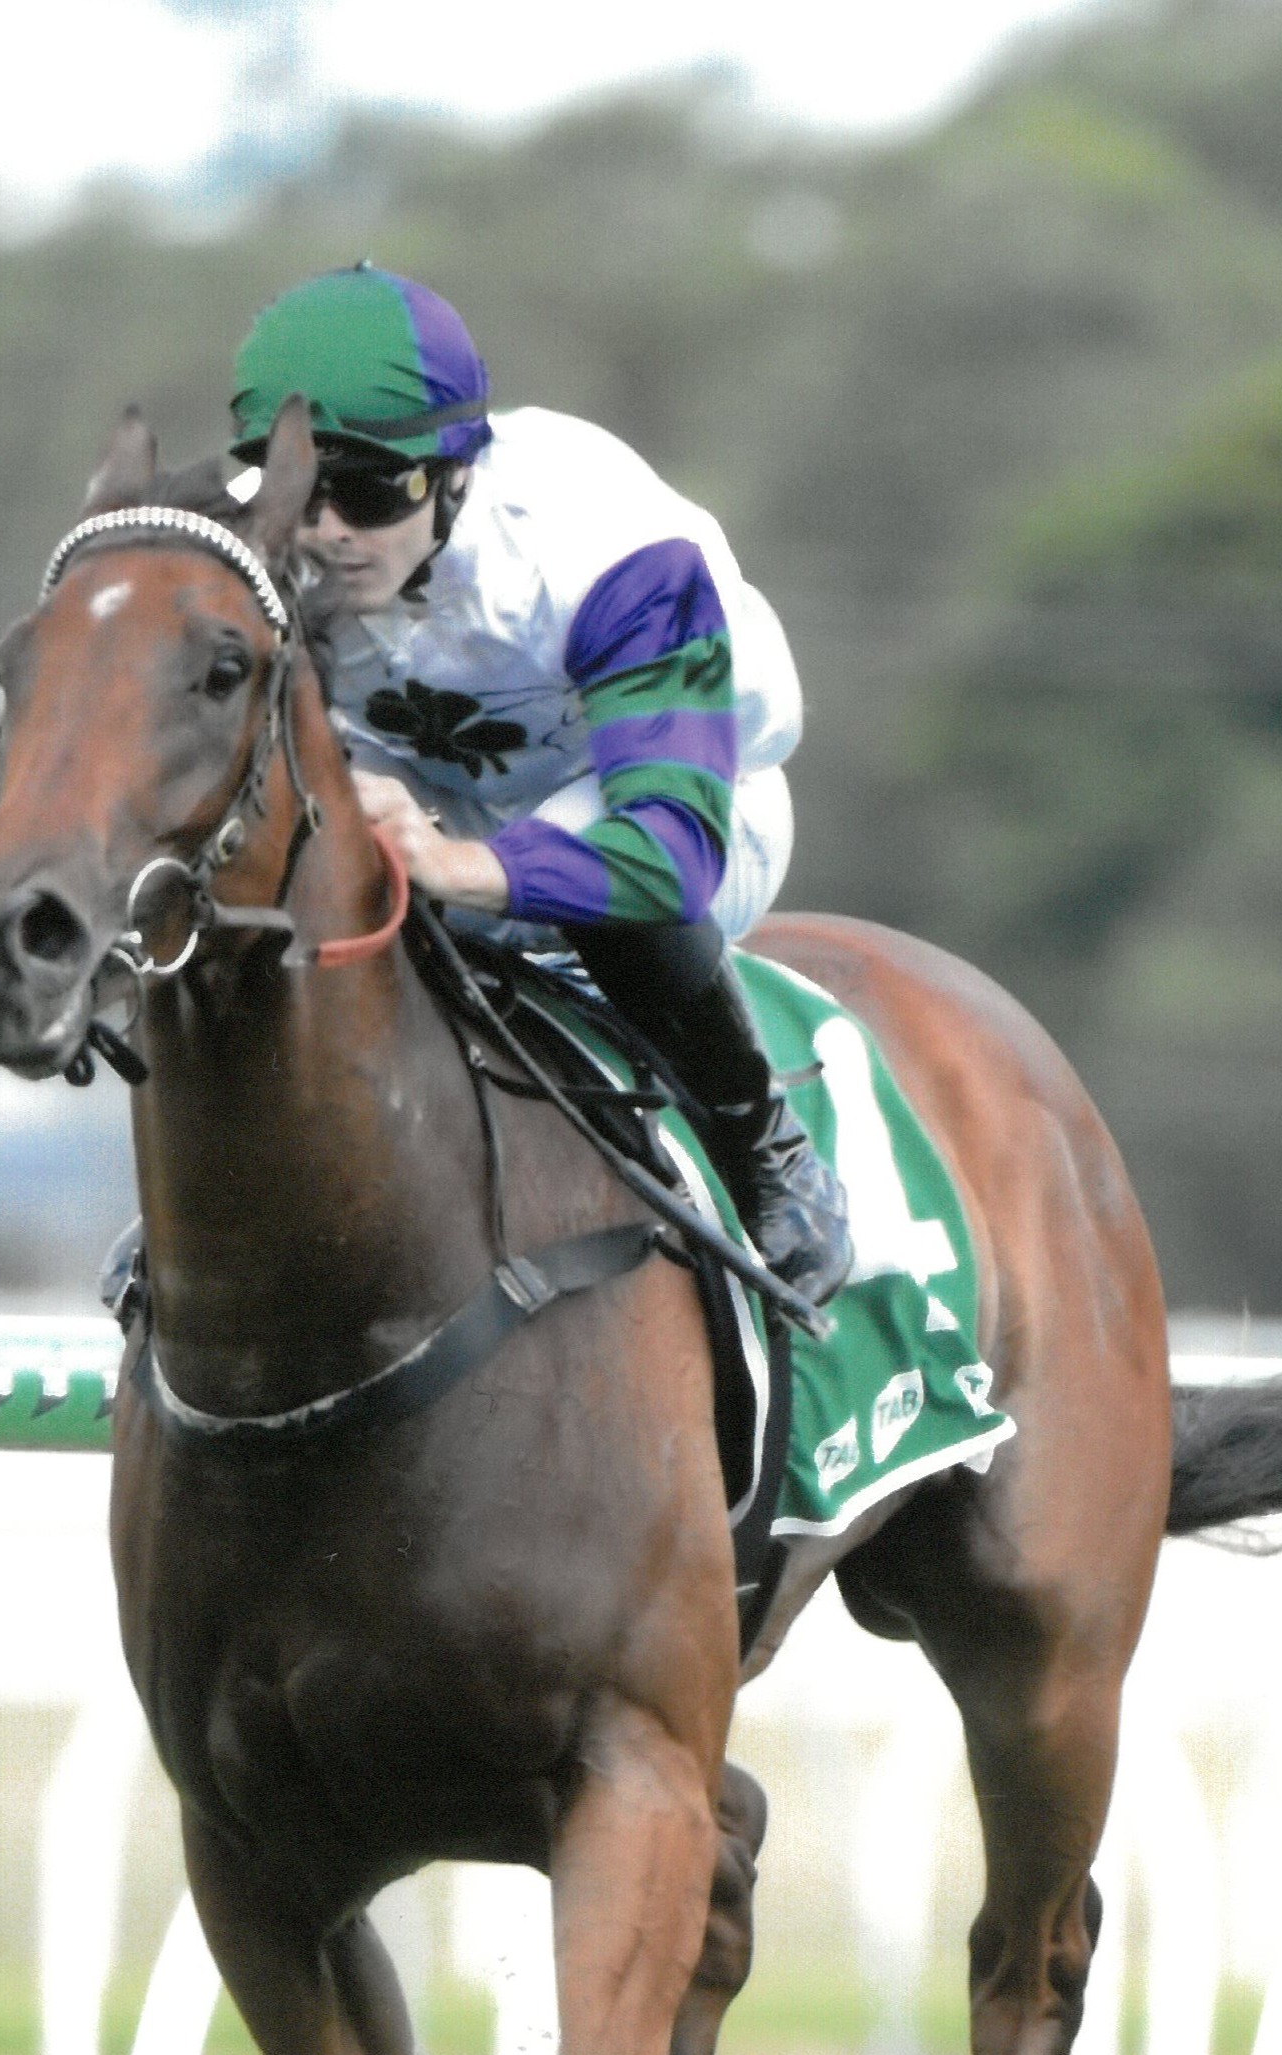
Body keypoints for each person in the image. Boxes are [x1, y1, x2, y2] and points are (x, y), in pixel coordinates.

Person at [224, 263, 851, 1313]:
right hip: (446, 796)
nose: (326, 528)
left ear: (455, 473)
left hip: (683, 806)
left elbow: (666, 852)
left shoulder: (607, 549)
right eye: (295, 488)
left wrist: (454, 863)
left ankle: (767, 1152)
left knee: (591, 863)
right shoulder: (258, 551)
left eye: (370, 490)